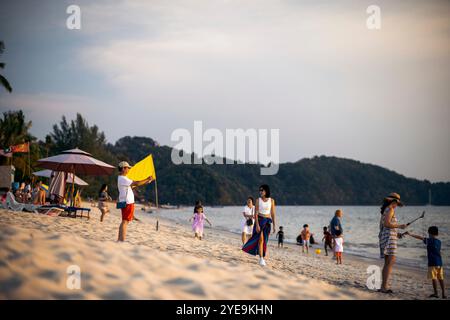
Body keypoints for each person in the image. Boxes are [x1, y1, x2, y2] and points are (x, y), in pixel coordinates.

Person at [378, 192, 408, 294]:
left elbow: (384, 226)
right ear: (394, 201)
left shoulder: (385, 210)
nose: (396, 206)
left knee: (387, 263)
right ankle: (384, 287)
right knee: (390, 262)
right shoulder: (390, 209)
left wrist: (397, 234)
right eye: (397, 204)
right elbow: (387, 224)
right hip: (389, 238)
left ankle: (383, 286)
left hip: (387, 237)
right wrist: (400, 226)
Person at [406, 226, 446, 299]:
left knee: (434, 278)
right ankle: (443, 294)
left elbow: (419, 237)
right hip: (440, 263)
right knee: (441, 278)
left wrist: (410, 234)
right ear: (437, 233)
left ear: (429, 233)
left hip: (432, 263)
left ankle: (436, 293)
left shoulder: (429, 240)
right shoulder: (439, 242)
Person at [117, 161, 153, 242]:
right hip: (127, 202)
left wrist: (147, 181)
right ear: (123, 168)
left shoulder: (121, 178)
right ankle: (121, 240)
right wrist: (147, 179)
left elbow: (133, 185)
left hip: (125, 202)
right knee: (125, 222)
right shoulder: (123, 178)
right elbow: (136, 183)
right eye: (128, 168)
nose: (129, 169)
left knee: (124, 221)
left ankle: (119, 239)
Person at [242, 184, 276, 266]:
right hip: (260, 221)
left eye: (262, 190)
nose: (260, 192)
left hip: (267, 222)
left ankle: (262, 256)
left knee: (265, 240)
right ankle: (261, 258)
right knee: (260, 239)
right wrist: (257, 225)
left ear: (266, 191)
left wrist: (274, 225)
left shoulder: (271, 201)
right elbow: (256, 214)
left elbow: (273, 213)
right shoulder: (258, 200)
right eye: (260, 190)